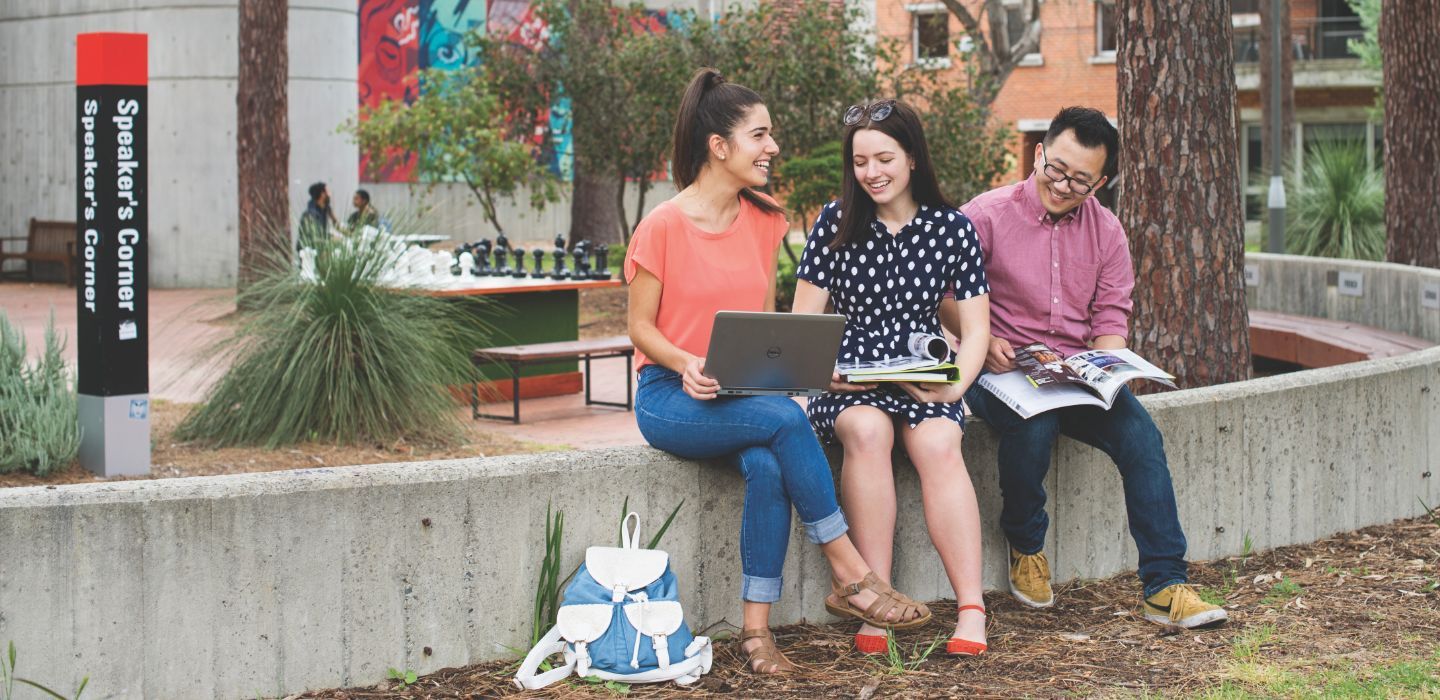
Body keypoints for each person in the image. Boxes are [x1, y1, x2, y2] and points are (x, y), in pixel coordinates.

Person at [626, 68, 932, 675]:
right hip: (670, 396)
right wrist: (687, 362)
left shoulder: (766, 221)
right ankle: (850, 569)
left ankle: (757, 635)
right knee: (786, 419)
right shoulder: (663, 224)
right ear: (720, 146)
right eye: (760, 135)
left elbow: (762, 329)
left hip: (743, 393)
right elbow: (640, 329)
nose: (772, 148)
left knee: (768, 463)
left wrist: (815, 371)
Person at [946, 106, 1227, 629]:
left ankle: (1166, 585)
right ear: (1039, 154)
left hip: (1073, 373)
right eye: (1055, 169)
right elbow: (942, 296)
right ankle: (1026, 542)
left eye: (1079, 180)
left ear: (1100, 181)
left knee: (1142, 438)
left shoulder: (1108, 231)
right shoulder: (985, 214)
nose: (1062, 185)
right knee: (1035, 425)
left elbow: (1111, 316)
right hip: (999, 367)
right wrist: (984, 340)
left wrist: (1106, 367)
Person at [792, 99, 992, 657]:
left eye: (884, 158)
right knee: (866, 432)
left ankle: (971, 607)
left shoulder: (952, 228)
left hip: (922, 372)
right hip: (848, 377)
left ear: (911, 158)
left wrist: (954, 389)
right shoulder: (834, 223)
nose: (872, 172)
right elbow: (802, 322)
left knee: (940, 440)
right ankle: (874, 599)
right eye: (860, 162)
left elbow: (975, 330)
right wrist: (821, 374)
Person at [298, 181, 340, 250]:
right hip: (310, 253)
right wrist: (332, 239)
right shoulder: (311, 214)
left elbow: (335, 226)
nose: (330, 195)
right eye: (328, 192)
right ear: (322, 194)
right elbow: (314, 239)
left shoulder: (324, 210)